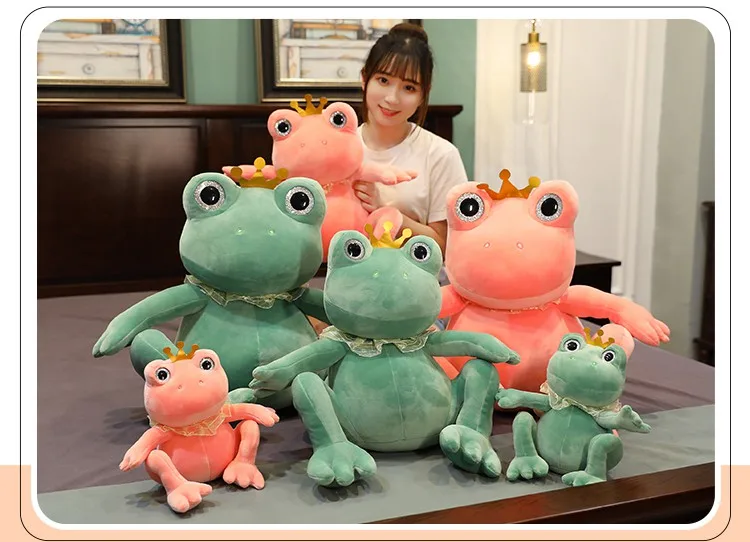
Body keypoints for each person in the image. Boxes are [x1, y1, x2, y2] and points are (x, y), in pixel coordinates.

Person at [353, 22, 469, 255]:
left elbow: (446, 245)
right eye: (383, 80)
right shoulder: (338, 149)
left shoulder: (440, 154)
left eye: (408, 87)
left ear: (423, 94)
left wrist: (387, 213)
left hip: (415, 275)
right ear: (365, 78)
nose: (392, 98)